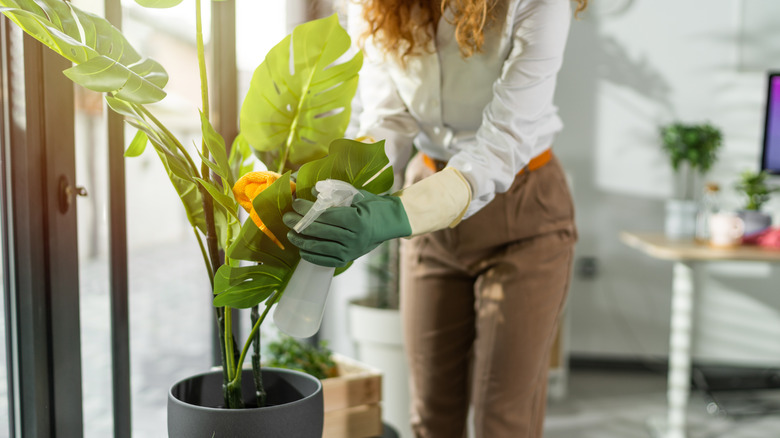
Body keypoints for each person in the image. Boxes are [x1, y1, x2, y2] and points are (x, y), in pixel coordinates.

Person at [283, 0, 585, 436]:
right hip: (428, 201)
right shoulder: (378, 5)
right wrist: (351, 192)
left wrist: (391, 216)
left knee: (504, 418)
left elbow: (503, 144)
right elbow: (389, 117)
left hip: (524, 208)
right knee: (431, 414)